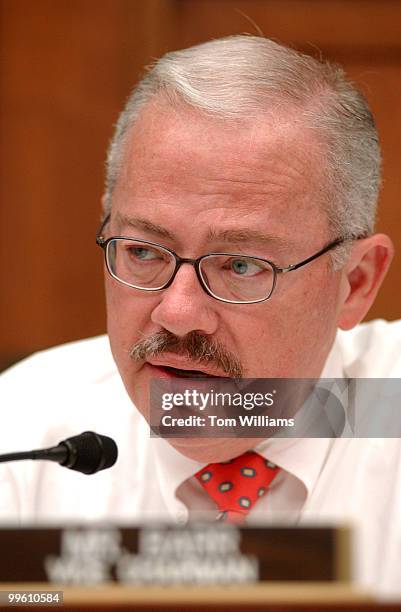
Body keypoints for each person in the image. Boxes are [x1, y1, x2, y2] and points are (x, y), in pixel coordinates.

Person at [1, 35, 400, 595]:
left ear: (355, 283)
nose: (180, 313)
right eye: (143, 251)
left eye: (240, 264)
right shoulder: (22, 429)